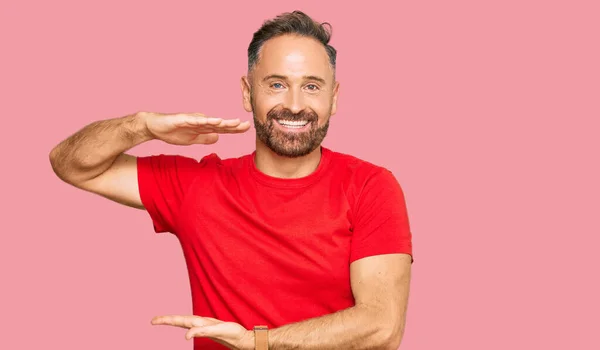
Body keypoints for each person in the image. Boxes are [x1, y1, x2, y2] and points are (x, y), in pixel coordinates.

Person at [49, 10, 414, 350]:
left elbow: (382, 326)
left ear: (333, 99)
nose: (295, 104)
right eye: (276, 84)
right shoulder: (196, 186)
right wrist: (142, 126)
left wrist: (259, 342)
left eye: (312, 87)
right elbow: (72, 164)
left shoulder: (370, 186)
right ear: (246, 92)